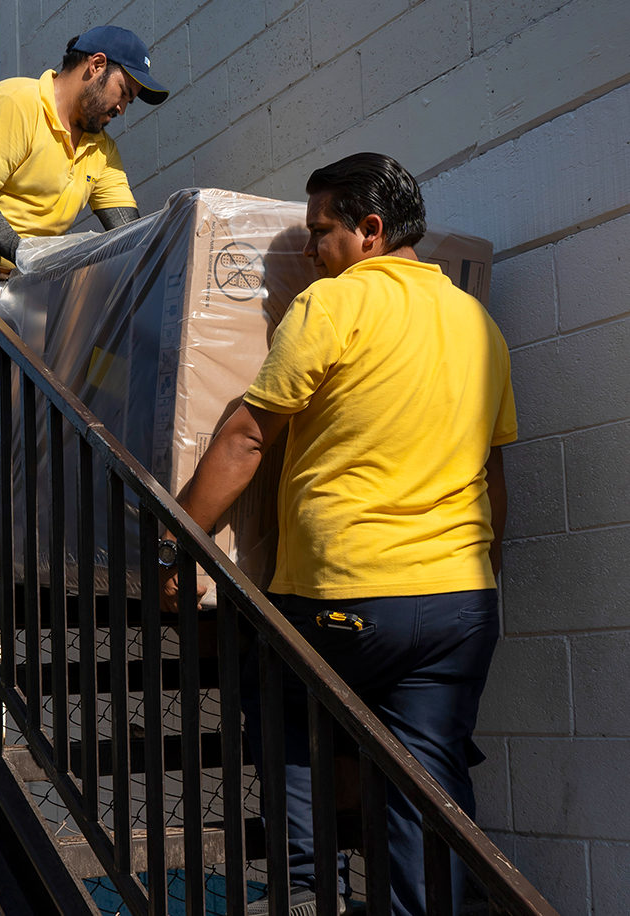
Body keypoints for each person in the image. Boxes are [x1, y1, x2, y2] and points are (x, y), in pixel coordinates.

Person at [158, 153, 517, 916]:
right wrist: (474, 571)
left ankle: (306, 893)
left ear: (371, 229)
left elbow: (246, 439)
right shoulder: (475, 320)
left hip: (346, 592)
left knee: (287, 722)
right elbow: (492, 480)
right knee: (427, 782)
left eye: (321, 231)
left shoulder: (334, 304)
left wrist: (179, 541)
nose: (313, 249)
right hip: (460, 601)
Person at [0, 24, 168, 294]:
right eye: (124, 91)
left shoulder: (102, 149)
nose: (122, 108)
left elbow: (127, 230)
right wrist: (27, 255)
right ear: (96, 64)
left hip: (11, 278)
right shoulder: (15, 103)